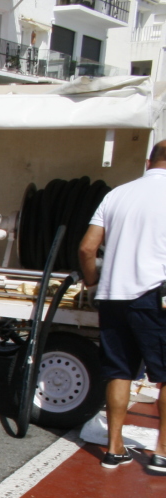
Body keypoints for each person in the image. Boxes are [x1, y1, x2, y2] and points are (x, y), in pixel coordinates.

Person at [77, 140, 166, 474]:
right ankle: (161, 453)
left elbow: (87, 248)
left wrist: (92, 283)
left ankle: (114, 448)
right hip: (156, 296)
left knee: (119, 370)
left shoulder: (116, 195)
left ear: (148, 161)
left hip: (113, 295)